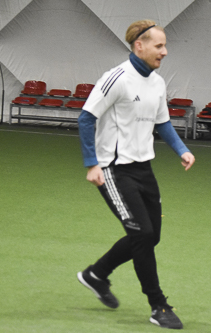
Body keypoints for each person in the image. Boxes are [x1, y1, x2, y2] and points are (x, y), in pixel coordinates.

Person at [76, 20, 195, 330]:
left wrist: (181, 149)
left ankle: (96, 275)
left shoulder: (157, 82)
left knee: (151, 236)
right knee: (141, 235)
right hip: (114, 170)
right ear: (139, 46)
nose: (164, 52)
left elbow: (162, 122)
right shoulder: (116, 78)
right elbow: (86, 118)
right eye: (159, 46)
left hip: (144, 168)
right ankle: (158, 305)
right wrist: (92, 164)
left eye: (165, 46)